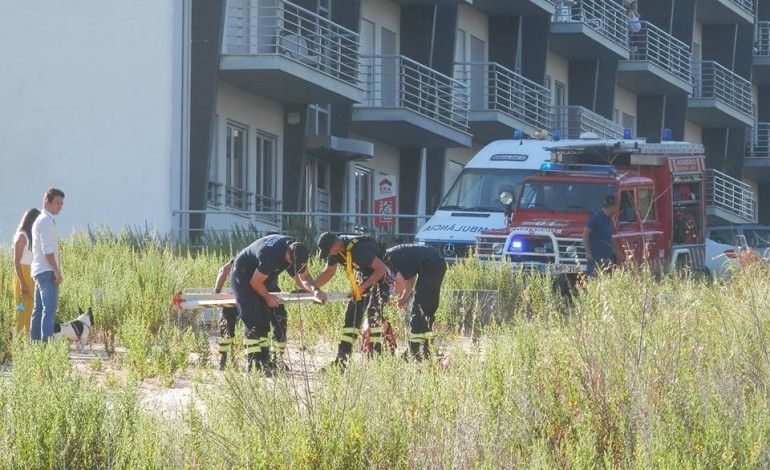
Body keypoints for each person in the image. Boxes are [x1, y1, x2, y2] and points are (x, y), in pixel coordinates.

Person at [230, 234, 326, 374]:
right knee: (254, 319)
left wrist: (315, 290)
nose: (293, 267)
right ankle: (254, 364)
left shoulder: (297, 251)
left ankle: (264, 360)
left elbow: (303, 278)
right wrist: (268, 297)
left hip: (260, 277)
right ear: (287, 254)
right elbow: (254, 282)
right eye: (292, 263)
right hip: (242, 275)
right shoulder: (270, 256)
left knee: (264, 320)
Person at [314, 232, 390, 368]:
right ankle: (342, 359)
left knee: (374, 316)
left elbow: (382, 269)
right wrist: (312, 288)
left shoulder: (359, 250)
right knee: (351, 317)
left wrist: (362, 288)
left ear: (336, 245)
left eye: (329, 251)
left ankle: (376, 359)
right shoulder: (336, 252)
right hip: (364, 277)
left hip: (381, 277)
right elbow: (328, 272)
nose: (329, 255)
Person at [385, 244, 447, 361]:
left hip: (431, 264)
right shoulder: (398, 258)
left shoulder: (386, 261)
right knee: (427, 310)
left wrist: (387, 297)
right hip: (434, 262)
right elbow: (411, 278)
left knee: (419, 310)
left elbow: (401, 283)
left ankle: (414, 351)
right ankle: (425, 349)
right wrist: (403, 298)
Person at [30, 188, 65, 342]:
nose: (60, 206)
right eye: (57, 202)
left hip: (39, 270)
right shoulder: (45, 221)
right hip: (46, 271)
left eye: (62, 203)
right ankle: (46, 345)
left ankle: (36, 343)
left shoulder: (41, 220)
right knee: (49, 310)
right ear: (46, 201)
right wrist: (56, 271)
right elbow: (48, 251)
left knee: (38, 310)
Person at [13, 208, 41, 334]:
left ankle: (28, 337)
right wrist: (23, 283)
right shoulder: (22, 236)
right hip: (23, 274)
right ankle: (20, 337)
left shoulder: (32, 237)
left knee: (31, 309)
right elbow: (16, 261)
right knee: (21, 308)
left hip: (31, 274)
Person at [583, 194, 620, 277]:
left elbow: (608, 237)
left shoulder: (609, 219)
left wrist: (616, 250)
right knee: (594, 279)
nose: (617, 208)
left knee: (608, 280)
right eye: (616, 206)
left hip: (607, 256)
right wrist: (588, 252)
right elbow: (585, 234)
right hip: (596, 256)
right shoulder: (596, 217)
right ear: (612, 206)